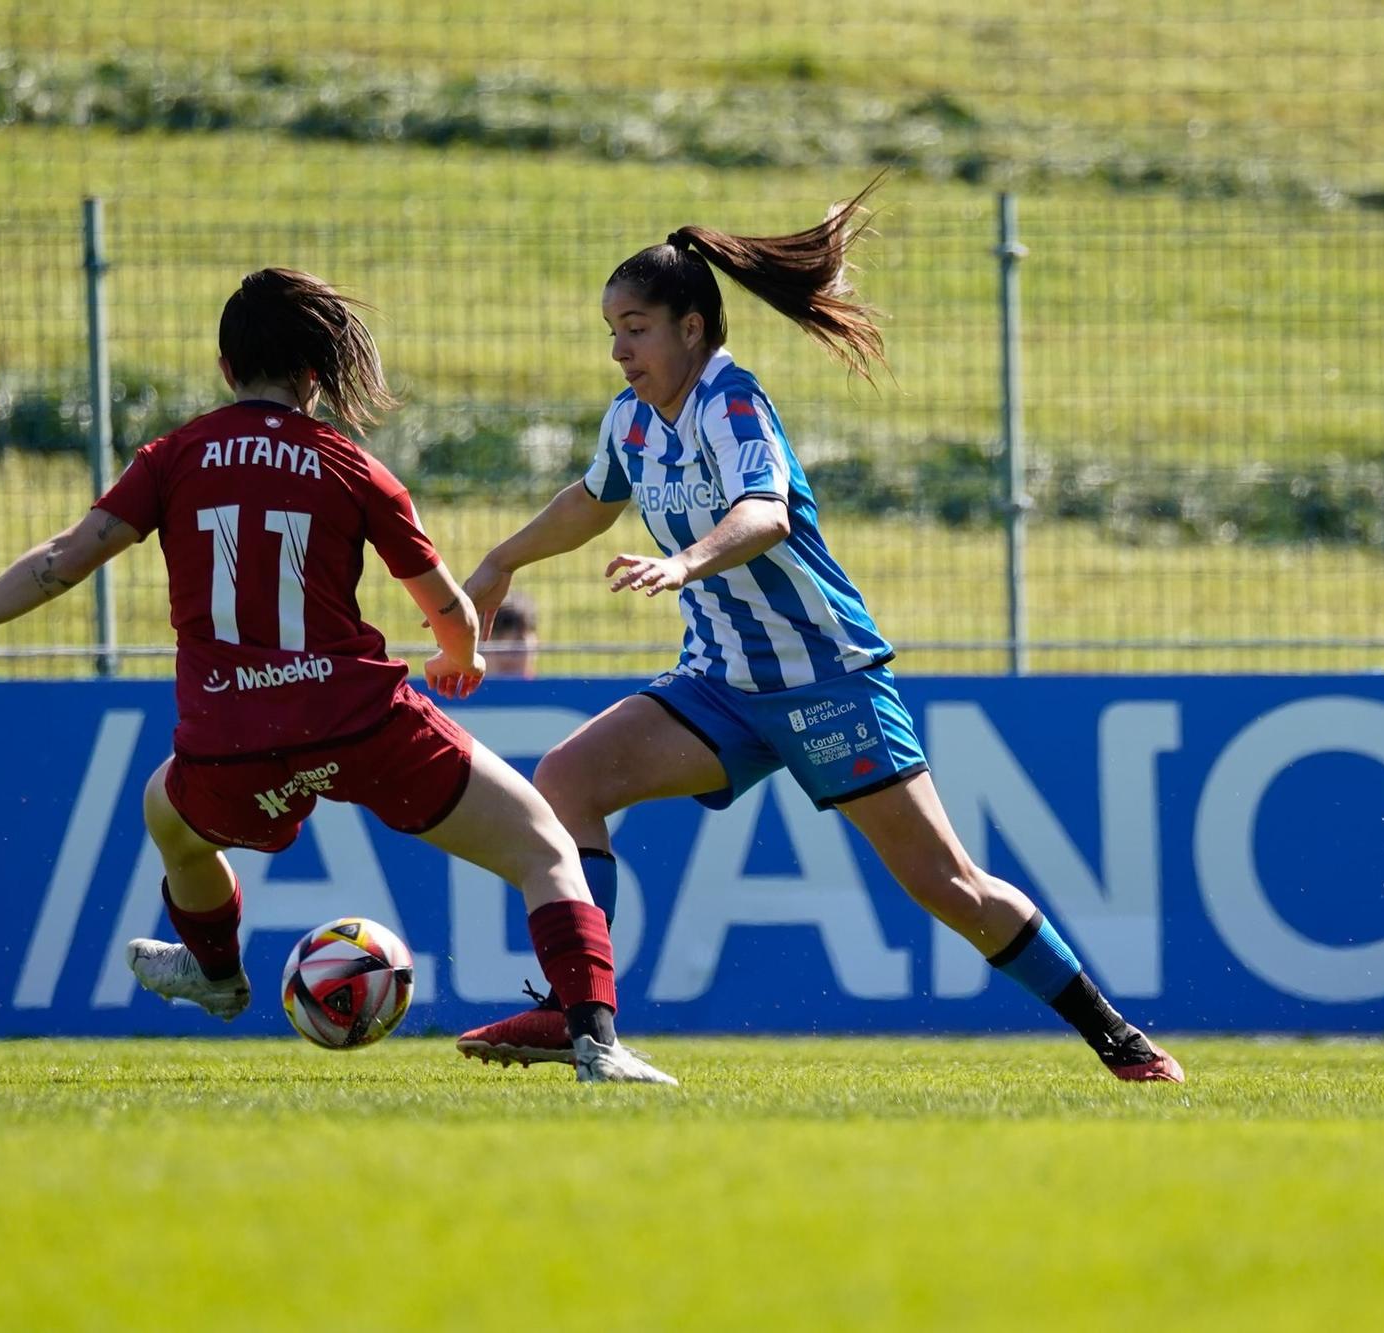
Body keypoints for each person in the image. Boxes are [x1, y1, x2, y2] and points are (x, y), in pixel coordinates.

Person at [0, 267, 673, 1085]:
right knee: (545, 848)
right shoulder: (349, 465)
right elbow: (448, 609)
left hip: (229, 738)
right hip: (359, 720)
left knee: (167, 814)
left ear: (225, 368)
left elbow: (66, 559)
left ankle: (214, 968)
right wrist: (458, 657)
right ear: (315, 376)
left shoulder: (172, 458)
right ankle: (596, 1043)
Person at [451, 186, 1185, 1083]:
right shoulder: (632, 419)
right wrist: (500, 562)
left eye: (635, 327)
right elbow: (592, 501)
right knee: (567, 778)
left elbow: (765, 515)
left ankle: (1119, 1039)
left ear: (692, 327)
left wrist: (683, 566)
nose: (618, 349)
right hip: (720, 684)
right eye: (611, 328)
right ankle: (583, 1021)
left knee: (944, 884)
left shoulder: (734, 404)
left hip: (824, 679)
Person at [482, 590, 541, 679]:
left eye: (518, 643)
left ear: (536, 644)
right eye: (498, 644)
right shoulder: (461, 691)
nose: (508, 658)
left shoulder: (545, 690)